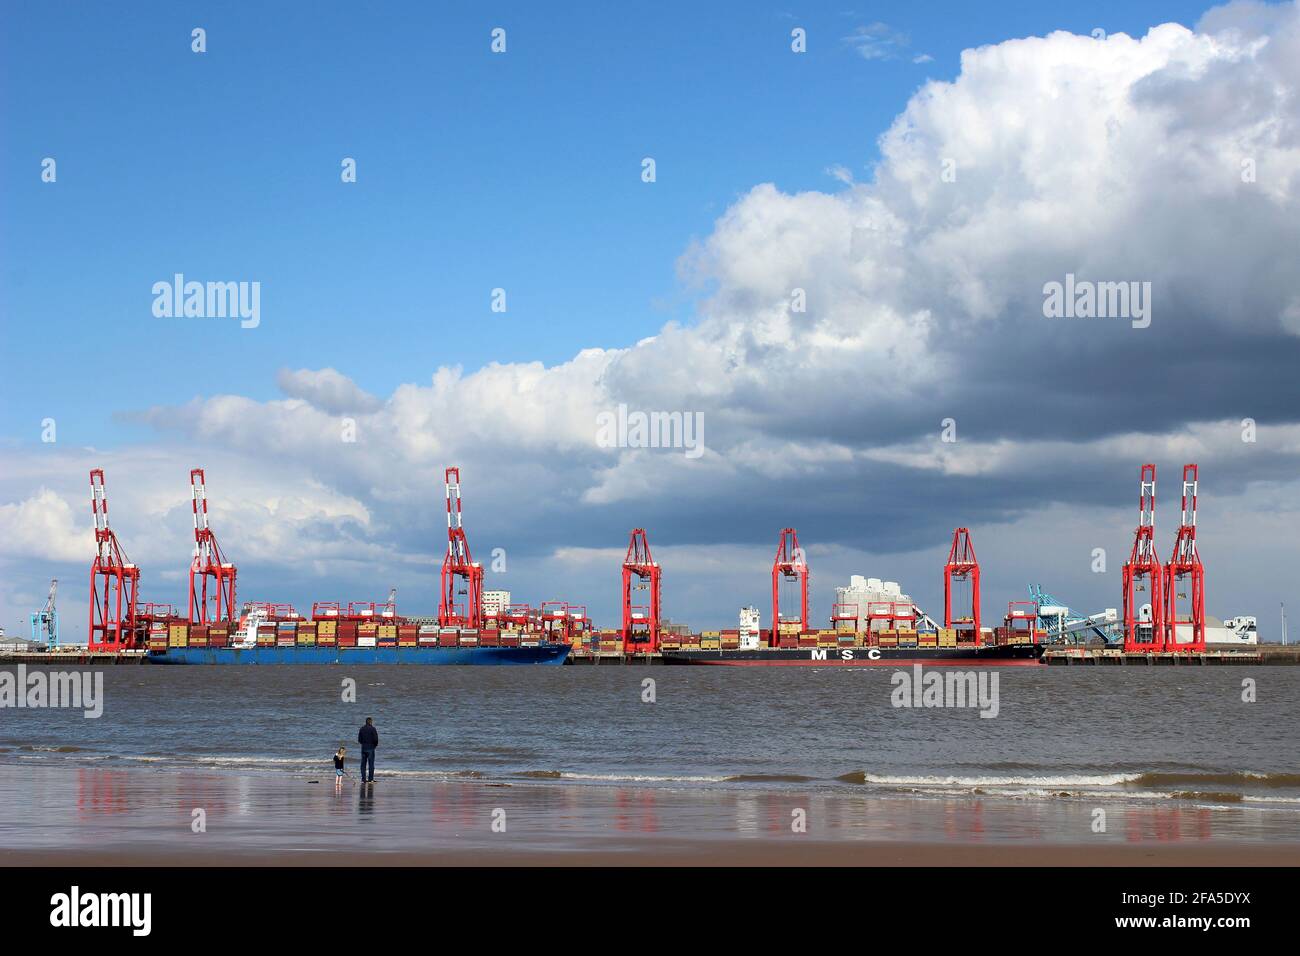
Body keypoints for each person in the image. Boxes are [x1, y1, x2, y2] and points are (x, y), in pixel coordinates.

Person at [357, 717, 379, 783]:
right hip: (371, 748)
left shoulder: (362, 729)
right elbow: (376, 739)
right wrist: (375, 745)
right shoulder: (373, 729)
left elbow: (359, 739)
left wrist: (363, 744)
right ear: (371, 722)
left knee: (363, 764)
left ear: (366, 722)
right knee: (371, 764)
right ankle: (370, 779)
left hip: (363, 748)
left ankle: (363, 779)